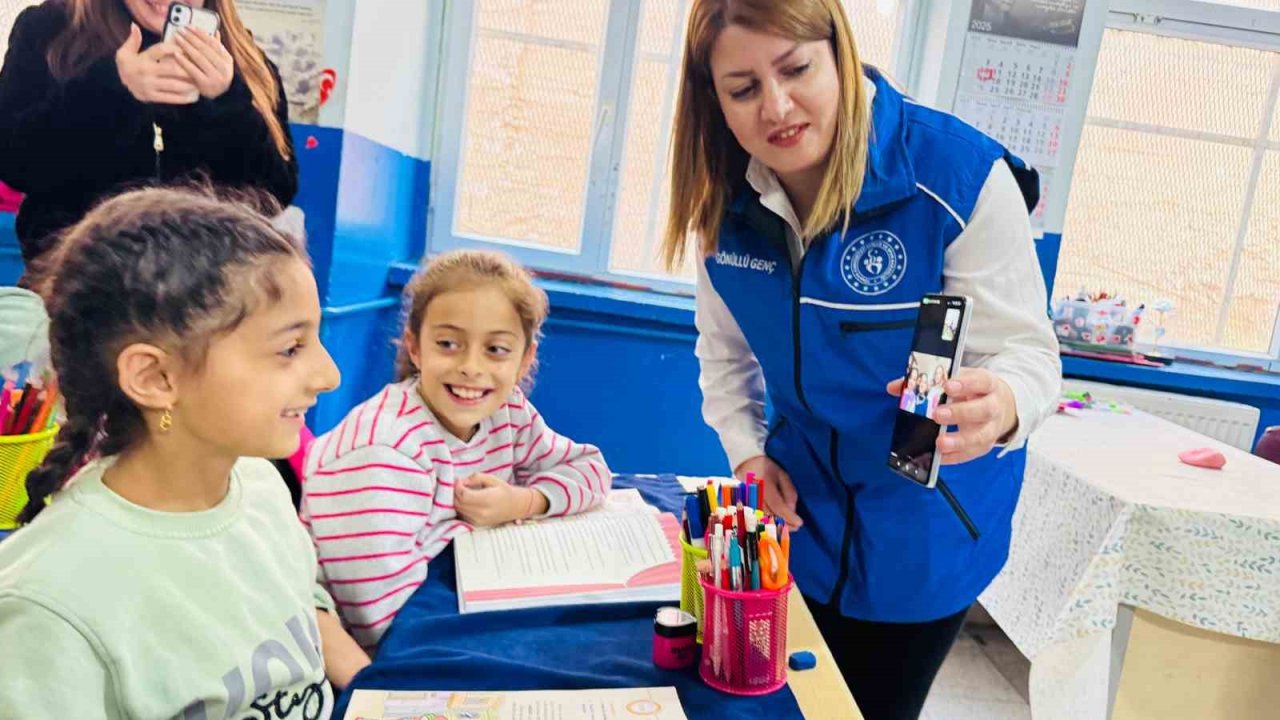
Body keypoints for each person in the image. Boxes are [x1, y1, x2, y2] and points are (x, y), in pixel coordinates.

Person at [662, 1, 1061, 717]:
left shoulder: (960, 176)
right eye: (743, 88)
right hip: (798, 522)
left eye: (796, 69)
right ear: (712, 98)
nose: (777, 107)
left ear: (840, 52)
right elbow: (724, 358)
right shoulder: (721, 203)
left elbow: (1027, 351)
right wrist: (748, 454)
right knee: (783, 701)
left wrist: (1002, 403)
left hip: (928, 530)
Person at [0, 187, 369, 717]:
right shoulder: (49, 606)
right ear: (156, 377)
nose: (328, 376)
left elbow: (305, 611)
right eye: (290, 349)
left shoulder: (260, 487)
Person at [301, 249, 612, 648]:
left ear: (524, 359)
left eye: (496, 349)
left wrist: (523, 502)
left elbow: (589, 468)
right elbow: (378, 621)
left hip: (460, 606)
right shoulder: (384, 449)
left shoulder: (508, 410)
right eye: (448, 343)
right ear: (415, 347)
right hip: (383, 653)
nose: (471, 367)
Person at [0, 0, 297, 267]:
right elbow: (15, 160)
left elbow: (273, 192)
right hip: (76, 287)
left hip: (206, 296)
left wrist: (227, 102)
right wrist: (113, 88)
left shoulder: (244, 58)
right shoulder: (52, 30)